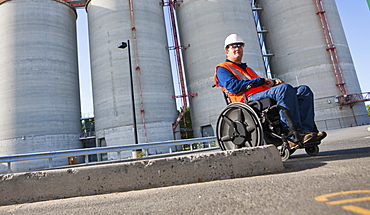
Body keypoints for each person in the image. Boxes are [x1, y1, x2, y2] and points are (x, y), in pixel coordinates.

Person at [214, 34, 327, 145]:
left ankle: (307, 131)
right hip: (246, 99)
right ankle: (292, 135)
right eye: (233, 46)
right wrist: (262, 81)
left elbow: (261, 85)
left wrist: (273, 83)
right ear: (227, 51)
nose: (237, 48)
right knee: (283, 89)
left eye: (240, 45)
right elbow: (233, 87)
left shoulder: (247, 69)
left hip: (261, 94)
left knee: (303, 90)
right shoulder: (223, 68)